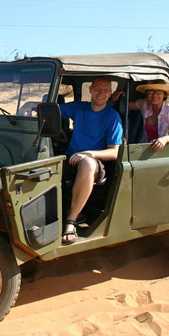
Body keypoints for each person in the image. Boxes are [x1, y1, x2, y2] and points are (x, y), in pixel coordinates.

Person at [58, 77, 122, 245]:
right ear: (91, 90)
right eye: (97, 89)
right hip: (71, 158)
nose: (101, 93)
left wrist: (88, 154)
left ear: (110, 94)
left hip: (97, 164)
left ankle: (71, 221)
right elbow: (54, 110)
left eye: (105, 90)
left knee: (87, 163)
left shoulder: (112, 117)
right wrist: (33, 107)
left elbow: (114, 152)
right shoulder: (80, 108)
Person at [112, 80, 169, 150]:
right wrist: (119, 95)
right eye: (151, 92)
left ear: (165, 95)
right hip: (144, 148)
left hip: (163, 150)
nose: (154, 95)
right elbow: (125, 105)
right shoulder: (145, 104)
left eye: (159, 92)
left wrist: (164, 139)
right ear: (146, 94)